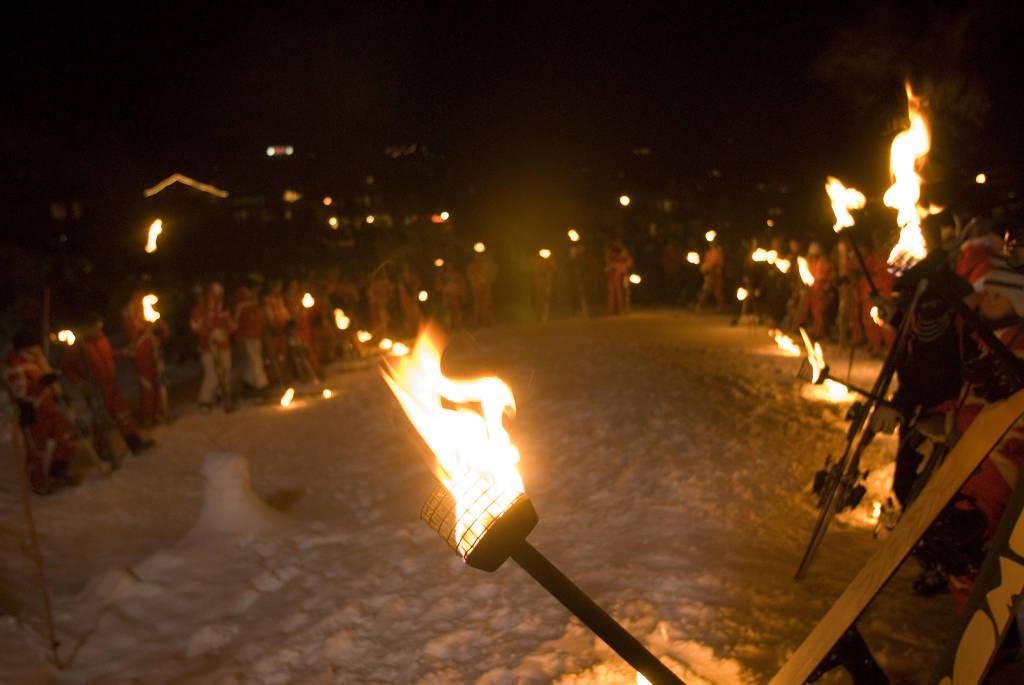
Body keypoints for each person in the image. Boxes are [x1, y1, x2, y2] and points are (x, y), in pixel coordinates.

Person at [4, 328, 93, 492]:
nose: (38, 348)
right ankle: (38, 481)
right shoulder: (16, 367)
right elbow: (21, 394)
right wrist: (43, 383)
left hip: (49, 408)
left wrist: (57, 392)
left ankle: (58, 472)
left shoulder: (37, 359)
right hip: (32, 413)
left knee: (67, 436)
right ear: (25, 347)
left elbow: (48, 377)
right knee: (37, 450)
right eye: (34, 346)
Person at [61, 313, 154, 454]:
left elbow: (109, 355)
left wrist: (124, 353)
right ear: (88, 328)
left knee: (123, 414)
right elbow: (67, 368)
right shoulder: (77, 347)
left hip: (112, 385)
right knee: (100, 420)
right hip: (96, 389)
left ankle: (134, 443)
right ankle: (103, 451)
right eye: (96, 327)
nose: (100, 329)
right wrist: (80, 383)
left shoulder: (101, 339)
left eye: (100, 326)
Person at [122, 289, 169, 426]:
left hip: (153, 352)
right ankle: (148, 416)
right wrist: (148, 327)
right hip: (142, 355)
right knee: (147, 386)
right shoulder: (130, 311)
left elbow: (159, 328)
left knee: (158, 382)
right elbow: (135, 331)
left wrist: (160, 328)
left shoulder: (146, 308)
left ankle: (160, 412)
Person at [191, 281, 235, 412]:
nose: (218, 297)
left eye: (220, 294)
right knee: (212, 373)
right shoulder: (201, 309)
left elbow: (231, 324)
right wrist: (207, 334)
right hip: (208, 347)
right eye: (215, 294)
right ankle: (205, 399)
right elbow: (194, 326)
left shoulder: (223, 308)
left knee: (225, 370)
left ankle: (223, 395)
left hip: (223, 345)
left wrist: (224, 332)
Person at [232, 274, 269, 399]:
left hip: (255, 334)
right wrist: (239, 335)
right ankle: (261, 386)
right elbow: (236, 319)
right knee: (255, 361)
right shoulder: (242, 299)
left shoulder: (253, 298)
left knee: (250, 362)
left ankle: (248, 385)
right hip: (247, 335)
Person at [262, 279, 291, 384]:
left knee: (282, 355)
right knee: (273, 356)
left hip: (282, 331)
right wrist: (272, 326)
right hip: (273, 332)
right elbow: (269, 315)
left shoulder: (279, 299)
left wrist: (288, 322)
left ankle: (282, 377)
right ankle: (275, 379)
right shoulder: (267, 300)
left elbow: (284, 313)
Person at [467, 251, 498, 327]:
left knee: (487, 304)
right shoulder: (472, 266)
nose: (479, 258)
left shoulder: (487, 265)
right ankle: (477, 322)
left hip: (486, 286)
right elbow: (470, 275)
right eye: (477, 256)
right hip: (476, 286)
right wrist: (474, 281)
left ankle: (487, 322)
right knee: (477, 305)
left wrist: (488, 281)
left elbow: (492, 273)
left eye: (480, 256)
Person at [605, 241, 633, 315]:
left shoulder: (624, 252)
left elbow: (629, 262)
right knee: (612, 291)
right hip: (614, 274)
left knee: (624, 290)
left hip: (623, 274)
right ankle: (612, 309)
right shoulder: (610, 252)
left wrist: (625, 265)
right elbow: (608, 262)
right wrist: (612, 266)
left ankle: (623, 309)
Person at [697, 241, 725, 311]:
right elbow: (706, 262)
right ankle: (700, 305)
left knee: (717, 291)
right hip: (710, 274)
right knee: (706, 290)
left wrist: (709, 267)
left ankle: (720, 306)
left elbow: (718, 263)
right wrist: (704, 268)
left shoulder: (717, 252)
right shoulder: (709, 253)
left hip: (716, 274)